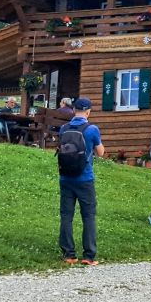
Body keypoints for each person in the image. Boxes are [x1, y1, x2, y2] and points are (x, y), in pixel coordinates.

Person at [57, 96, 105, 266]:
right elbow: (100, 152)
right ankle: (89, 256)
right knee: (89, 216)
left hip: (65, 178)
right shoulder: (92, 129)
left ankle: (69, 254)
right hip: (85, 178)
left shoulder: (64, 128)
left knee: (66, 216)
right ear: (88, 111)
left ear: (73, 110)